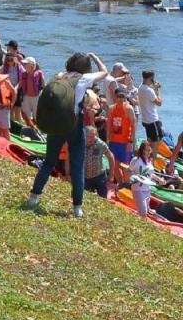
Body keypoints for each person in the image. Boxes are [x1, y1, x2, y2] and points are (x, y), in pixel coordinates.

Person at [22, 52, 109, 219]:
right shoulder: (83, 79)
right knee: (77, 166)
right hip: (74, 125)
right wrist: (95, 57)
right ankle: (77, 208)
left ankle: (34, 197)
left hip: (56, 123)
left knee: (49, 162)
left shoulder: (59, 75)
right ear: (85, 67)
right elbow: (104, 72)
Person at [104, 88, 137, 184]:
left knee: (125, 166)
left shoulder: (128, 109)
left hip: (125, 142)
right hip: (113, 141)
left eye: (123, 97)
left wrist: (131, 141)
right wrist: (107, 140)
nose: (121, 99)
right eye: (119, 96)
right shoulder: (111, 108)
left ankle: (127, 184)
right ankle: (121, 184)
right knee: (114, 165)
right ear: (115, 97)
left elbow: (134, 125)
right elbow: (108, 125)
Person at [82, 125, 112, 199]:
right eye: (90, 137)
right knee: (85, 198)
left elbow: (111, 157)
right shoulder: (79, 143)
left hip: (99, 176)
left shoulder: (100, 144)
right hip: (85, 176)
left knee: (103, 198)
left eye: (93, 136)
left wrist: (111, 175)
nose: (92, 139)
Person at [136, 70, 163, 143]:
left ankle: (149, 150)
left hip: (145, 120)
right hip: (152, 120)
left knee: (150, 140)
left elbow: (151, 97)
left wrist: (154, 88)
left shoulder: (140, 87)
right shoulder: (149, 90)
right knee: (157, 141)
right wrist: (158, 89)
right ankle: (153, 151)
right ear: (150, 78)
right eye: (153, 78)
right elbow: (159, 103)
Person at [17, 56, 44, 128]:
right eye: (24, 64)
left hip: (36, 97)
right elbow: (20, 84)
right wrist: (14, 90)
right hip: (26, 96)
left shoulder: (39, 73)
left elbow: (43, 84)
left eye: (26, 64)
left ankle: (39, 128)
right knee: (26, 115)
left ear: (31, 65)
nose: (24, 65)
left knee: (36, 114)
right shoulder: (24, 73)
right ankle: (29, 128)